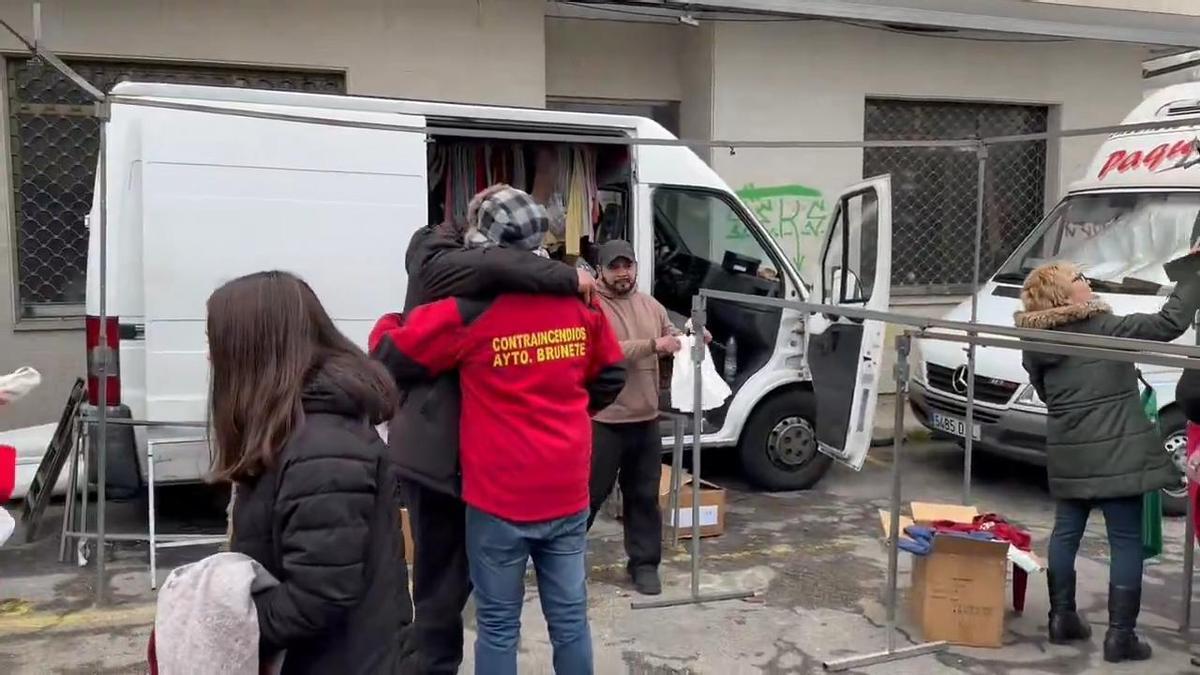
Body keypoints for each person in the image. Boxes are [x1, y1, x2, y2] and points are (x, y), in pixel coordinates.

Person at [370, 185, 626, 675]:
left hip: (500, 498)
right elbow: (611, 374)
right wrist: (565, 407)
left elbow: (389, 359)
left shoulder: (469, 311)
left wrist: (390, 321)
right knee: (571, 620)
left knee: (499, 625)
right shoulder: (582, 306)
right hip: (568, 488)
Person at [210, 271, 410, 674]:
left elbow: (320, 595)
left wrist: (222, 623)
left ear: (255, 351)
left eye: (217, 345)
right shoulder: (301, 432)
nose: (211, 358)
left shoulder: (322, 449)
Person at [1016, 261, 1200, 664]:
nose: (1089, 283)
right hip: (1117, 450)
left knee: (1065, 532)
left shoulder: (1035, 340)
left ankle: (1061, 618)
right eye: (1080, 279)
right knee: (1125, 540)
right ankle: (1121, 637)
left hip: (1070, 448)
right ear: (1065, 296)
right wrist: (1195, 274)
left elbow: (1046, 391)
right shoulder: (1105, 328)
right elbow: (1169, 323)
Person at [586, 239, 683, 596]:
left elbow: (670, 334)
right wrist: (653, 346)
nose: (623, 273)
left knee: (643, 497)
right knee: (587, 497)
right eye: (615, 266)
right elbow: (603, 351)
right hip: (604, 421)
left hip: (645, 420)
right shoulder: (592, 306)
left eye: (628, 265)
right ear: (601, 271)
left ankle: (644, 565)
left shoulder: (650, 305)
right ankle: (561, 564)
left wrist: (689, 338)